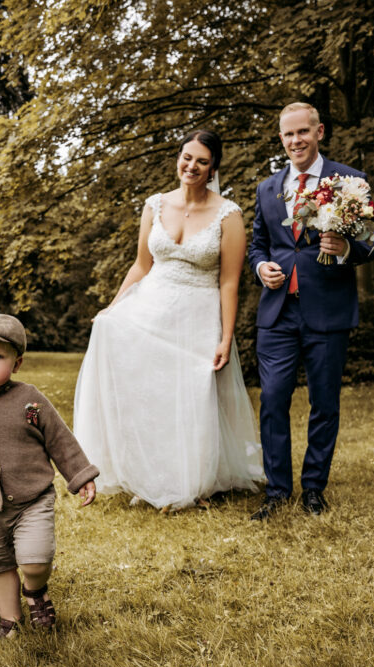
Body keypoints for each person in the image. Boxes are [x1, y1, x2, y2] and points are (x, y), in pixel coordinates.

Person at [73, 129, 263, 510]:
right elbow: (141, 265)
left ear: (213, 169)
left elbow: (229, 282)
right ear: (178, 159)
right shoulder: (154, 205)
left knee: (192, 396)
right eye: (186, 157)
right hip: (151, 306)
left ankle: (192, 480)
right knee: (151, 393)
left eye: (202, 161)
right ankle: (148, 474)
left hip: (197, 313)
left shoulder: (229, 215)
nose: (192, 166)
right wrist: (113, 307)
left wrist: (226, 338)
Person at [247, 102, 374, 520]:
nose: (296, 141)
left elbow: (372, 243)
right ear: (281, 138)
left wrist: (346, 248)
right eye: (288, 134)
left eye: (302, 132)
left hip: (328, 311)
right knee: (273, 399)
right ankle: (276, 491)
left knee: (325, 403)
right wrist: (261, 267)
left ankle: (313, 490)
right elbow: (258, 245)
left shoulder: (350, 181)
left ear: (319, 131)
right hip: (277, 314)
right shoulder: (267, 189)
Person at [0, 311, 98, 643]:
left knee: (36, 559)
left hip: (32, 498)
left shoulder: (29, 399)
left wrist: (80, 474)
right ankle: (9, 622)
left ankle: (35, 589)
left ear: (17, 362)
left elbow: (59, 439)